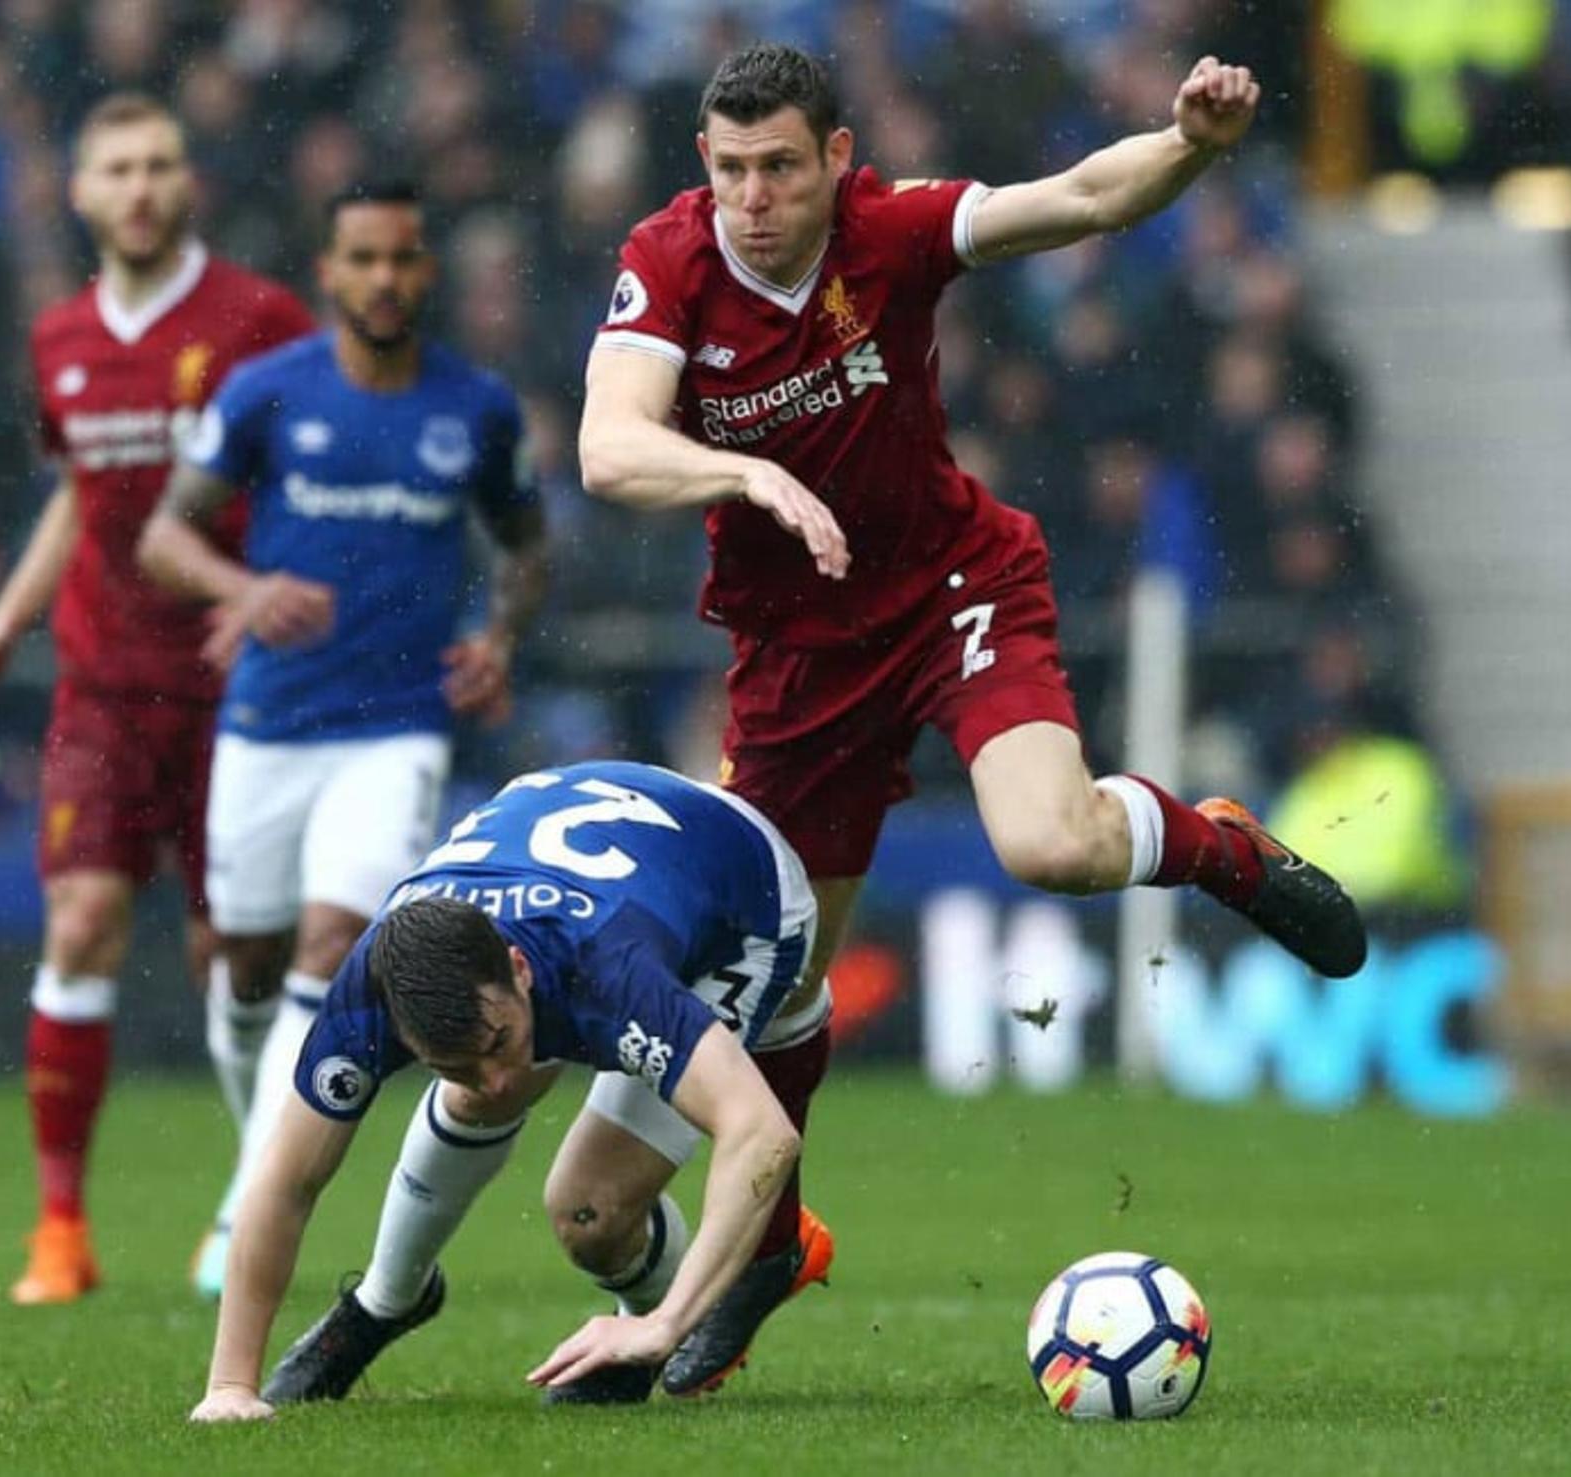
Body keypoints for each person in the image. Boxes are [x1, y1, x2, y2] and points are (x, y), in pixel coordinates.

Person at [576, 43, 1369, 1395]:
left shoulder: (887, 231)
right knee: (778, 978)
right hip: (794, 657)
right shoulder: (672, 262)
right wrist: (747, 475)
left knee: (1050, 843)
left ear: (835, 159)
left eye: (778, 167)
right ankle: (769, 1247)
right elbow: (609, 444)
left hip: (952, 588)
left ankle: (1218, 845)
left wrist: (1189, 144)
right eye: (728, 171)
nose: (751, 198)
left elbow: (1084, 199)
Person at [0, 92, 315, 1305]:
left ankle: (251, 1197)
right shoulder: (58, 337)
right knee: (84, 919)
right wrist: (3, 619)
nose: (140, 187)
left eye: (159, 165)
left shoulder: (260, 318)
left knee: (233, 960)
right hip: (101, 686)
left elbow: (317, 466)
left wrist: (276, 599)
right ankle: (59, 1230)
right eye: (118, 170)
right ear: (81, 195)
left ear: (185, 182)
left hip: (233, 688)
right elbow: (78, 493)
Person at [137, 178, 551, 1298]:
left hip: (397, 731)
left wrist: (501, 635)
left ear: (428, 272)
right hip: (269, 722)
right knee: (245, 966)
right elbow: (165, 538)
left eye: (403, 259)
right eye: (363, 257)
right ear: (330, 270)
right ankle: (256, 1154)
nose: (385, 278)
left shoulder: (476, 409)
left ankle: (241, 1210)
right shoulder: (268, 394)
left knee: (331, 947)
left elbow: (526, 541)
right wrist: (246, 585)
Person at [187, 760, 827, 1421]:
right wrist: (230, 1385)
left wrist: (662, 1324)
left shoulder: (607, 967)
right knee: (487, 1095)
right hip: (593, 847)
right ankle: (386, 1298)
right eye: (450, 1063)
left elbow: (763, 1135)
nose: (494, 1079)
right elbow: (285, 1177)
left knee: (590, 1210)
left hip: (742, 898)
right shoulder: (372, 988)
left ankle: (642, 1332)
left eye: (495, 1042)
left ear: (519, 969)